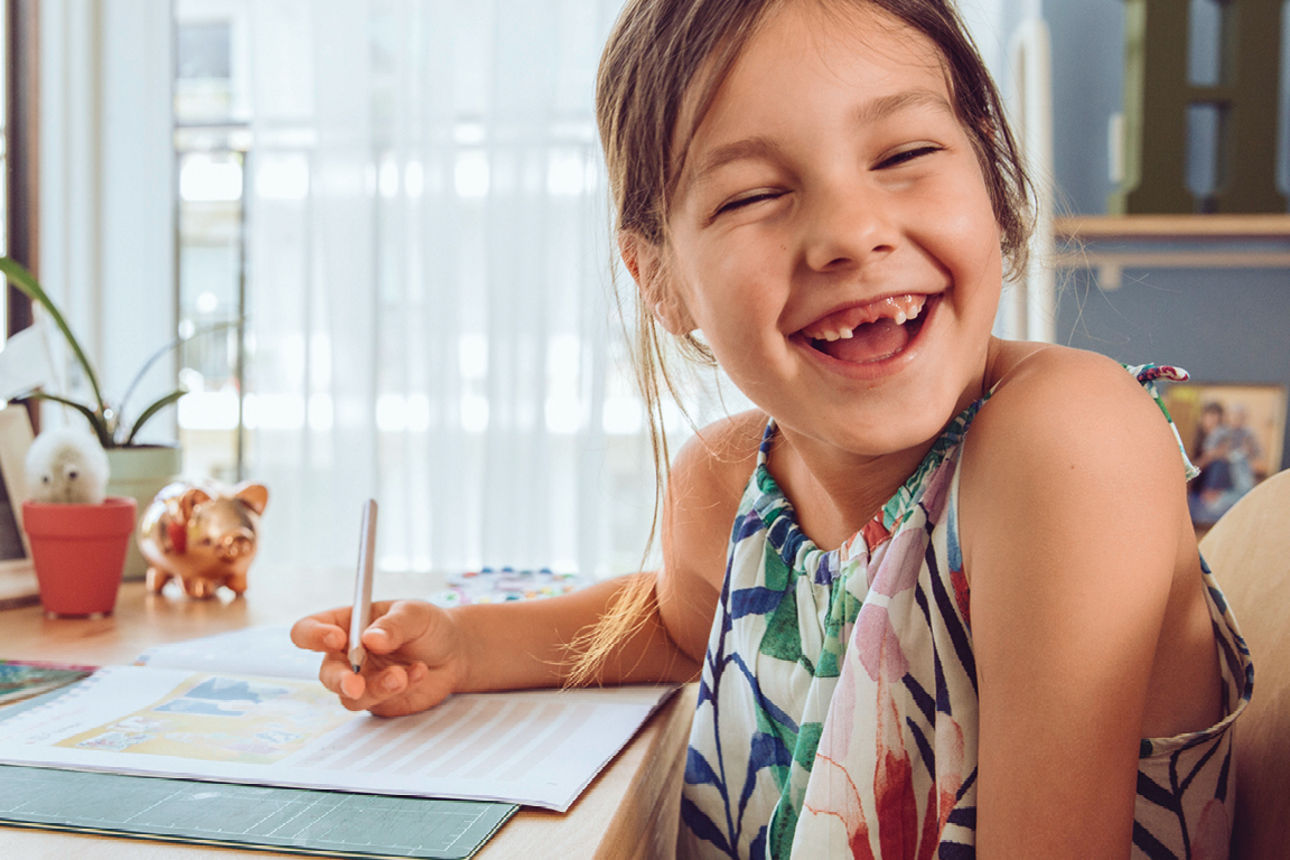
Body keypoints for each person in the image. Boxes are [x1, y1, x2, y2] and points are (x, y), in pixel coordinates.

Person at [292, 1, 1252, 856]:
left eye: (906, 155)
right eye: (753, 194)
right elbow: (676, 625)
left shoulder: (1067, 441)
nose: (848, 231)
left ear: (993, 181)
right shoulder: (728, 479)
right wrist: (467, 646)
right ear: (659, 279)